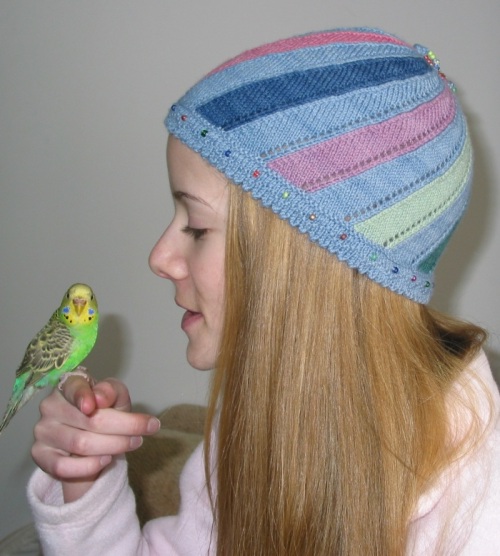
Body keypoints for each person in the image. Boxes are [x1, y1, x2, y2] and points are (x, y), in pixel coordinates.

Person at [28, 27, 500, 555]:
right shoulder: (264, 398)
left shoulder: (476, 487)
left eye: (198, 227)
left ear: (304, 260)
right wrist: (84, 483)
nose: (158, 258)